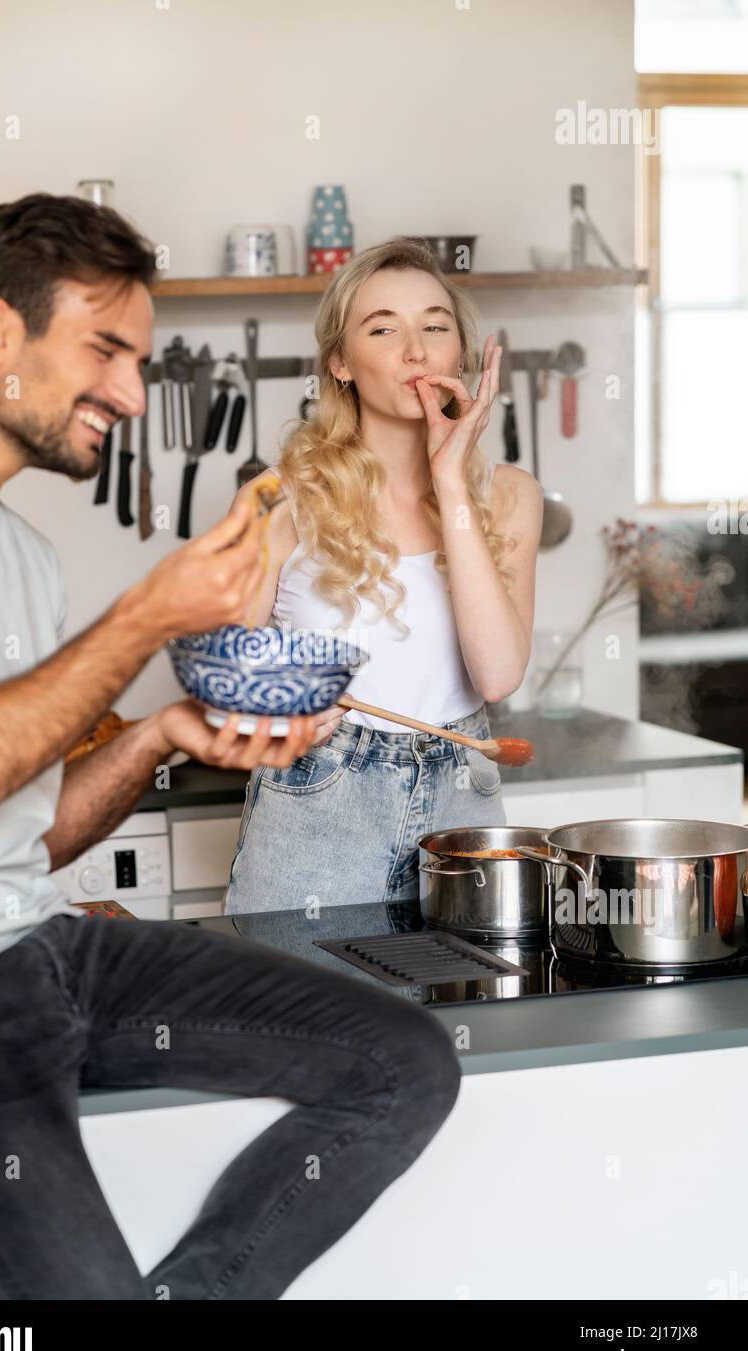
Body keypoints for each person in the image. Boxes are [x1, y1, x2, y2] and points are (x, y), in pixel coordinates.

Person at [0, 195, 460, 1300]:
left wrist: (161, 733)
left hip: (44, 952)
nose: (132, 394)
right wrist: (147, 617)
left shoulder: (18, 550)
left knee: (406, 1062)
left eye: (140, 360)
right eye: (106, 349)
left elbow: (29, 832)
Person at [224, 239, 542, 914]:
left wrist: (451, 482)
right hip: (316, 808)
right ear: (340, 361)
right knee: (311, 1021)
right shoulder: (276, 500)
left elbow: (496, 676)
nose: (415, 350)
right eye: (381, 328)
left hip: (463, 807)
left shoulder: (509, 494)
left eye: (433, 325)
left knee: (462, 1020)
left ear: (458, 349)